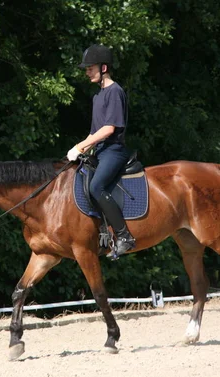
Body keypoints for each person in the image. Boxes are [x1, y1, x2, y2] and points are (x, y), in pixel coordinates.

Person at [66, 44, 136, 259]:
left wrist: (80, 147)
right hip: (100, 150)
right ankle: (101, 233)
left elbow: (109, 129)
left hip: (113, 150)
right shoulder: (98, 96)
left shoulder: (115, 92)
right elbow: (94, 132)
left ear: (103, 68)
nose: (87, 72)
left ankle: (125, 236)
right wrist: (78, 149)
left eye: (90, 68)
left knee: (97, 186)